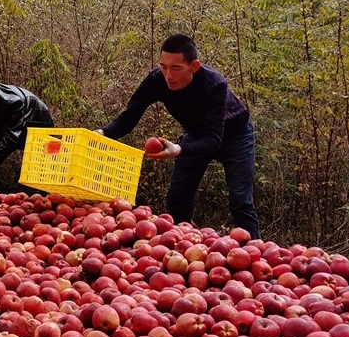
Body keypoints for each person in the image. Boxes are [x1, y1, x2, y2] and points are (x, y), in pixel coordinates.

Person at [98, 33, 261, 239]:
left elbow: (213, 140)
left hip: (236, 135)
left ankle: (256, 251)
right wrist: (101, 133)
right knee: (177, 198)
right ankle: (180, 245)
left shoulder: (214, 84)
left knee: (240, 200)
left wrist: (179, 149)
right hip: (196, 134)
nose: (169, 75)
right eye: (163, 66)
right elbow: (127, 120)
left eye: (176, 68)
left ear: (194, 66)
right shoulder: (156, 80)